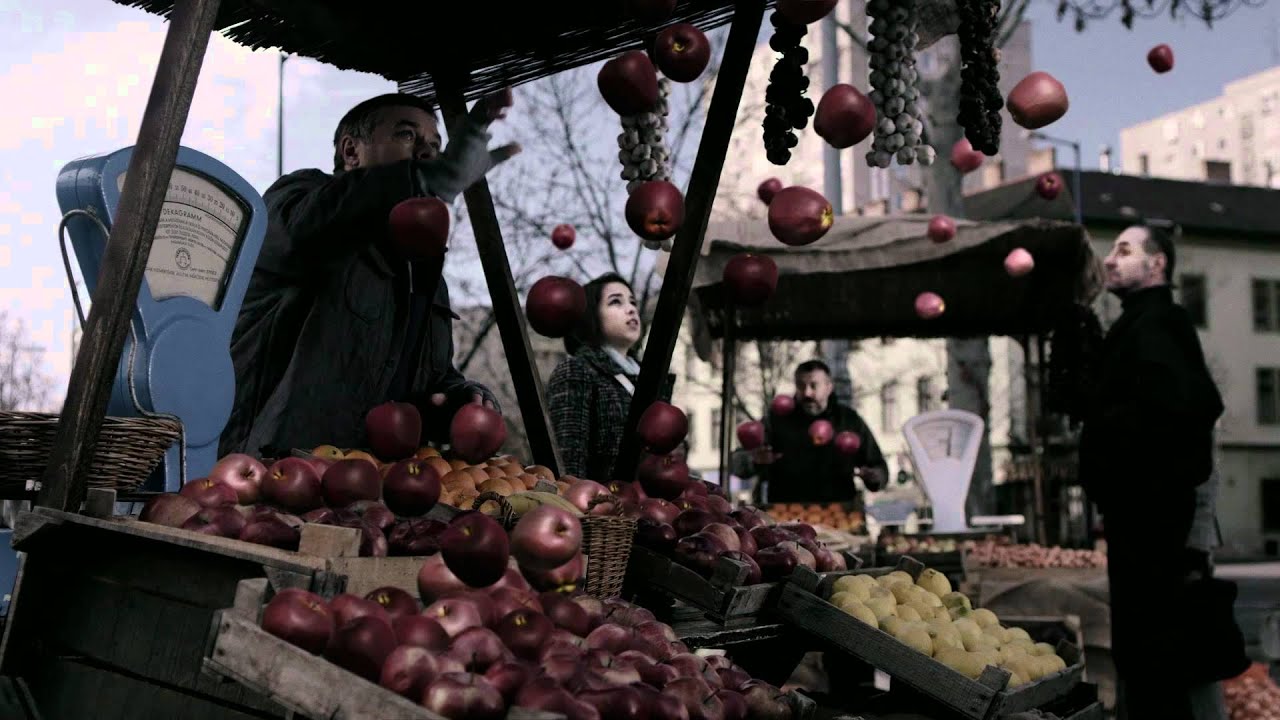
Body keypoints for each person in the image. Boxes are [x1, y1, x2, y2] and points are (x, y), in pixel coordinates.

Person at [220, 90, 519, 459]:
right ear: (350, 152)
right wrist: (420, 179)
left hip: (366, 487)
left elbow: (426, 379)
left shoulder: (423, 272)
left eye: (435, 145)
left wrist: (460, 400)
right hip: (264, 472)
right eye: (407, 135)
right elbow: (308, 229)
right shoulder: (298, 199)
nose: (426, 152)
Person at [1078, 220, 1226, 720]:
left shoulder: (1160, 323)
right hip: (1142, 518)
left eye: (1124, 250)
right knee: (1146, 652)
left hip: (1150, 522)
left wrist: (1133, 478)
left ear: (1157, 263)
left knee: (1153, 653)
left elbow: (1192, 408)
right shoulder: (1141, 323)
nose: (1110, 260)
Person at [732, 360, 888, 505]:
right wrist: (753, 460)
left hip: (839, 517)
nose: (807, 393)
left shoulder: (849, 420)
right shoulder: (777, 419)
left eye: (814, 386)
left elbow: (879, 468)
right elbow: (736, 463)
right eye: (801, 386)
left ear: (828, 387)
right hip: (786, 516)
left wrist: (874, 476)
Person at [546, 273, 648, 481]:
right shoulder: (577, 371)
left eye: (632, 302)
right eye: (615, 302)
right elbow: (569, 463)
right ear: (592, 315)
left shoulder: (649, 377)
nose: (631, 309)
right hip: (604, 507)